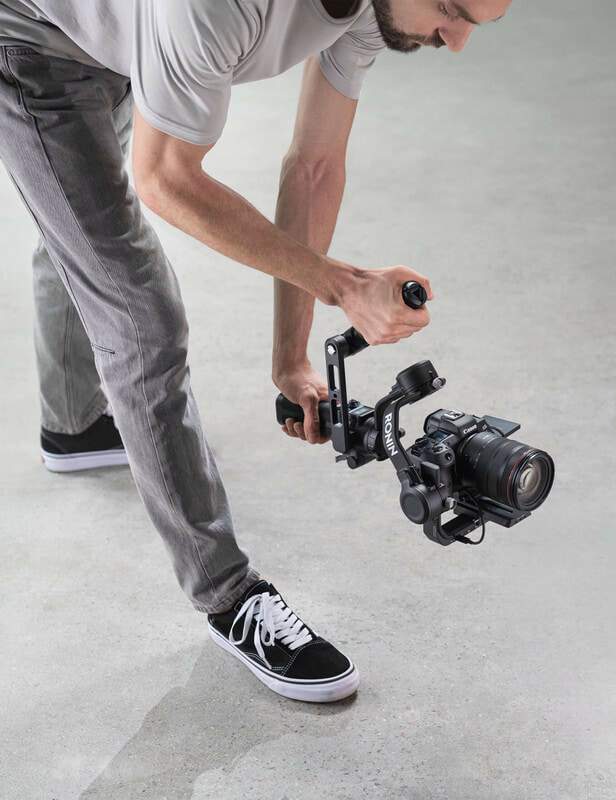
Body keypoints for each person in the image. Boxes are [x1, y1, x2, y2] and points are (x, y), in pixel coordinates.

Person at [0, 0, 511, 703]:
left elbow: (314, 167)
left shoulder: (375, 8)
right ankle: (227, 594)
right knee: (142, 318)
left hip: (114, 36)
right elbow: (166, 179)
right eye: (452, 10)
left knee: (76, 219)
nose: (457, 41)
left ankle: (74, 427)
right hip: (33, 37)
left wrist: (292, 360)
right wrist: (343, 285)